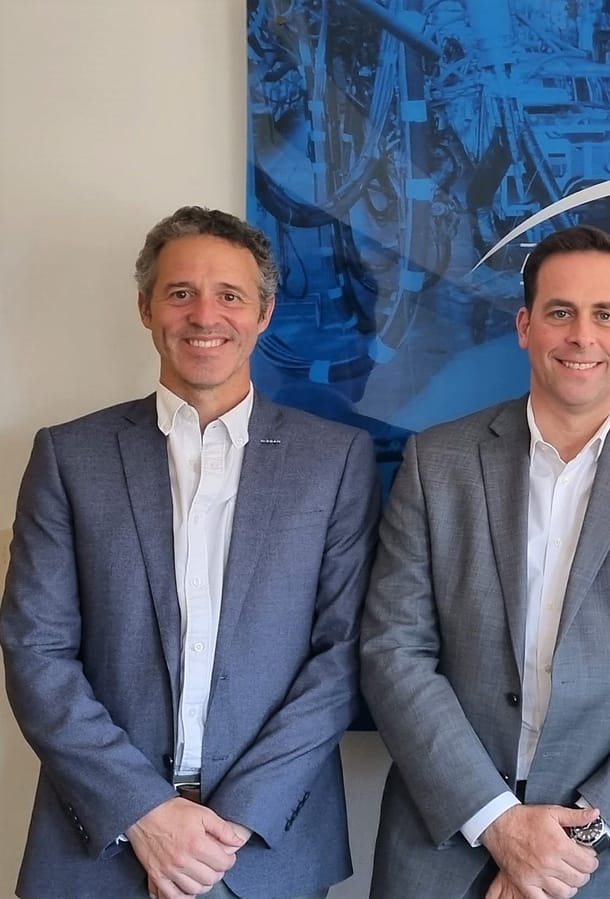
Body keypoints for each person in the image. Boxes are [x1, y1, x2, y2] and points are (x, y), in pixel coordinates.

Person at [1, 206, 378, 899]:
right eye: (181, 293)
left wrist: (232, 822)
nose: (206, 315)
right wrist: (145, 811)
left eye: (230, 295)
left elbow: (343, 654)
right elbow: (35, 649)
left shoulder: (336, 460)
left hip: (267, 847)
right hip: (97, 846)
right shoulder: (68, 455)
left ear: (263, 313)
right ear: (146, 308)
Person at [361, 224, 610, 899]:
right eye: (560, 312)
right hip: (446, 842)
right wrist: (498, 822)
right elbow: (393, 650)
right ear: (524, 325)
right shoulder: (436, 461)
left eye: (605, 314)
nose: (581, 336)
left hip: (608, 861)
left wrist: (573, 841)